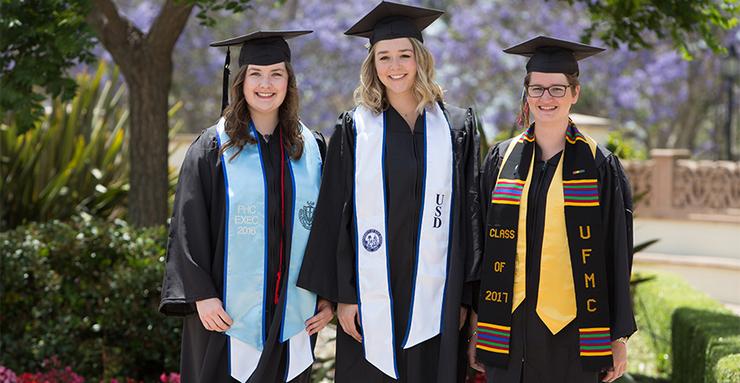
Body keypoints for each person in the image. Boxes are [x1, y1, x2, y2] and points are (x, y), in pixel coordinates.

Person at [296, 2, 482, 382]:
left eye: (404, 55)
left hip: (439, 298)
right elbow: (336, 213)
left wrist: (465, 298)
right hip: (370, 296)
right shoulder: (355, 128)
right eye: (384, 57)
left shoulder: (456, 127)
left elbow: (472, 215)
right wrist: (344, 295)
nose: (395, 67)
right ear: (372, 64)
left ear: (420, 59)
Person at [159, 30, 334, 383]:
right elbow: (188, 226)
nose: (265, 84)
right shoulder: (213, 147)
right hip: (225, 315)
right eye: (255, 74)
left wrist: (327, 296)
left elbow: (328, 229)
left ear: (289, 82)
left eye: (276, 74)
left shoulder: (311, 148)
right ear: (240, 82)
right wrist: (202, 296)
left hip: (293, 314)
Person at [468, 36, 637, 383]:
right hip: (507, 325)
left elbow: (616, 251)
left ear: (575, 93)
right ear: (526, 93)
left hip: (574, 327)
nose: (547, 99)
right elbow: (480, 247)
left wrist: (618, 338)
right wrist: (475, 327)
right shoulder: (501, 160)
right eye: (538, 89)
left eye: (558, 89)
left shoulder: (599, 164)